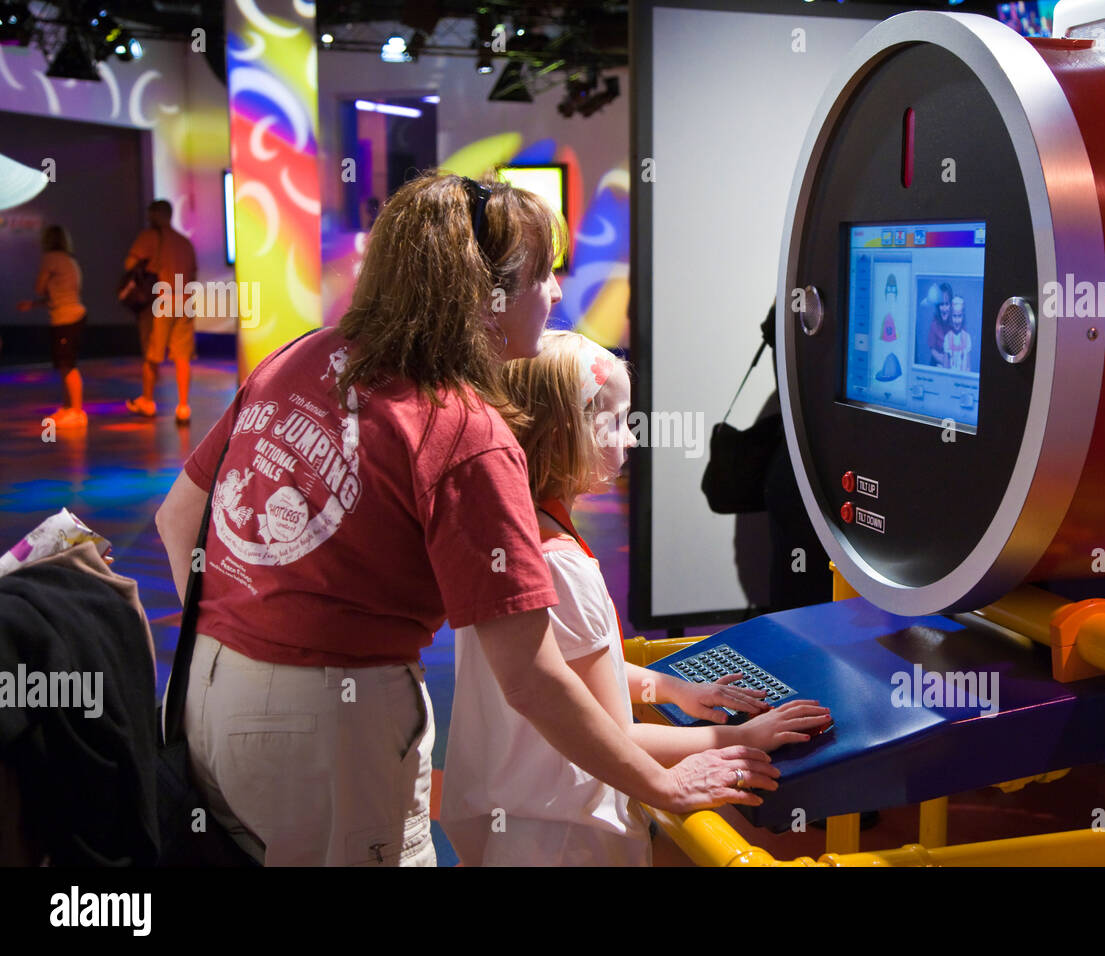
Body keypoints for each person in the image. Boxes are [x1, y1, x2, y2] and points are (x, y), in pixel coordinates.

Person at [153, 171, 776, 867]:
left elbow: (177, 520)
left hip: (206, 688)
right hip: (331, 724)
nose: (557, 294)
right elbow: (532, 679)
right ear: (486, 295)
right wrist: (661, 782)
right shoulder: (462, 428)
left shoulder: (302, 356)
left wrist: (247, 647)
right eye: (542, 274)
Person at [441, 331, 832, 865]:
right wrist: (747, 737)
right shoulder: (560, 565)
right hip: (570, 838)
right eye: (618, 421)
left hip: (518, 829)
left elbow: (563, 668)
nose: (631, 438)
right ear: (564, 432)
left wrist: (669, 687)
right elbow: (618, 737)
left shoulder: (508, 542)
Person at [124, 199, 197, 423]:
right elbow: (193, 273)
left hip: (161, 301)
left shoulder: (149, 237)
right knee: (182, 356)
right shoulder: (185, 243)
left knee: (152, 353)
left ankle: (147, 400)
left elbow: (129, 265)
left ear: (155, 215)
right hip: (184, 300)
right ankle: (183, 406)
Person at [17, 225, 87, 429]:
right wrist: (33, 304)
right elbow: (60, 294)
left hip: (66, 318)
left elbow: (40, 287)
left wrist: (38, 293)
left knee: (68, 365)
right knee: (64, 364)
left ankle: (76, 410)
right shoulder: (70, 260)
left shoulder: (51, 259)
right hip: (71, 315)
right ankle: (68, 408)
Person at [927, 282, 953, 367]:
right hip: (937, 364)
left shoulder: (955, 323)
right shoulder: (934, 324)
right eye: (941, 304)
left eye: (947, 304)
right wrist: (944, 361)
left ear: (951, 305)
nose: (944, 308)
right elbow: (932, 350)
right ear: (938, 306)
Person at [944, 295, 972, 372]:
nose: (957, 321)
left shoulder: (967, 337)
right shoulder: (947, 337)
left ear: (963, 317)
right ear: (950, 317)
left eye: (959, 316)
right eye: (954, 316)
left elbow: (968, 366)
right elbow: (945, 366)